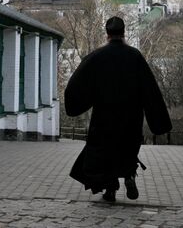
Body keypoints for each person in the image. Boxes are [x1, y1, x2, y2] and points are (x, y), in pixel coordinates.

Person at [63, 16, 171, 202]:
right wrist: (159, 122)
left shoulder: (96, 57)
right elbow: (150, 90)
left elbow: (76, 84)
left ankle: (110, 190)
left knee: (103, 154)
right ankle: (129, 175)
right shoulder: (135, 56)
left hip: (104, 118)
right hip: (131, 118)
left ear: (107, 34)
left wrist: (81, 103)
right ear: (123, 33)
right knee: (127, 149)